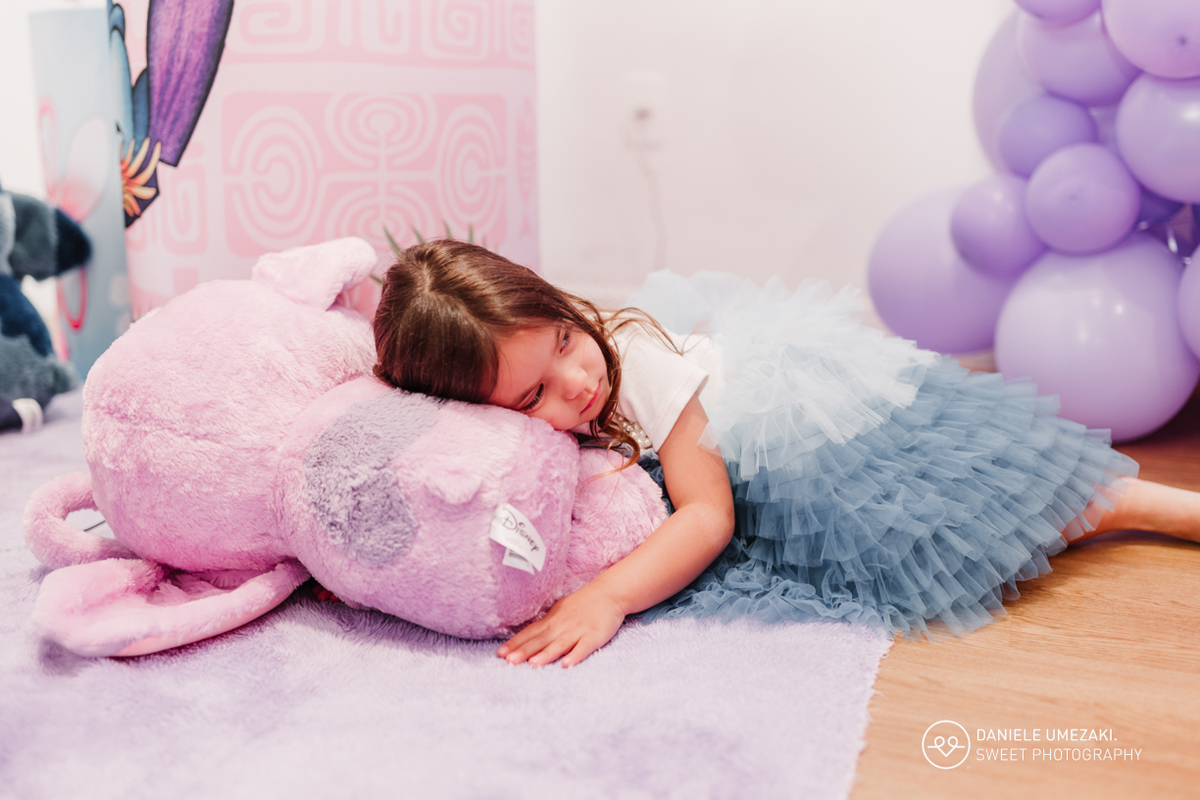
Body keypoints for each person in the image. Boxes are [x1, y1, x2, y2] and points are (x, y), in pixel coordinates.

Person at [372, 239, 1200, 668]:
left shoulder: (639, 364)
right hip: (754, 450)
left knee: (992, 502)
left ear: (560, 306)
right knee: (1015, 498)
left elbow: (708, 516)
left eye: (564, 340)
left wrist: (609, 598)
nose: (578, 382)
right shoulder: (505, 420)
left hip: (815, 448)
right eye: (533, 397)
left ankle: (1152, 506)